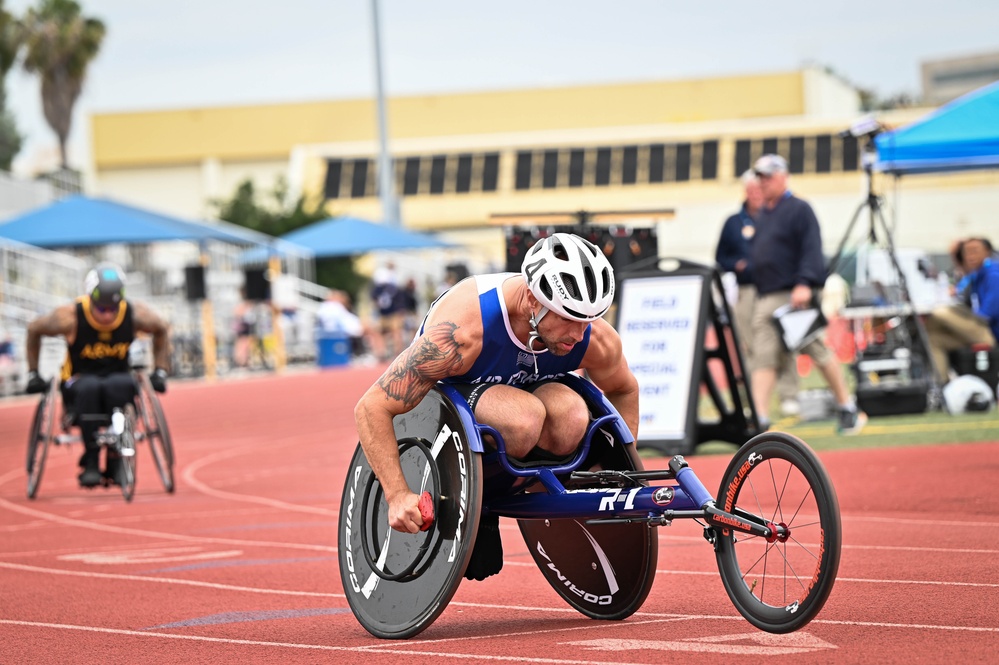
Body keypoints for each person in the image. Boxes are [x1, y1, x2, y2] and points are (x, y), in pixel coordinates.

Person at [353, 232, 639, 580]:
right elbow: (371, 407)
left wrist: (622, 471)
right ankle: (482, 503)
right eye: (568, 318)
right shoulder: (462, 333)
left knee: (572, 415)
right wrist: (397, 494)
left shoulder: (593, 337)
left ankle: (535, 486)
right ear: (533, 300)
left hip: (521, 388)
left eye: (588, 318)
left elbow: (624, 389)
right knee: (523, 420)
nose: (579, 334)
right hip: (451, 401)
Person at [748, 154, 866, 434]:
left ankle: (847, 405)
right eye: (760, 177)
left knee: (816, 349)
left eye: (767, 177)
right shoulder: (765, 212)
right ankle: (759, 419)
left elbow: (812, 249)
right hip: (768, 296)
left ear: (782, 176)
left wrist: (804, 283)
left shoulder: (799, 208)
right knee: (763, 356)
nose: (762, 183)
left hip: (794, 294)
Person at [24, 263, 171, 488]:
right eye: (101, 310)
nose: (108, 315)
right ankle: (91, 459)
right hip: (79, 378)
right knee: (90, 387)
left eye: (113, 309)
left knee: (122, 385)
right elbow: (34, 329)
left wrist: (160, 371)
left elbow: (161, 329)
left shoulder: (134, 315)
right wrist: (34, 373)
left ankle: (116, 458)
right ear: (91, 301)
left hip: (117, 375)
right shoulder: (70, 316)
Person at [715, 169, 800, 417]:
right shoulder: (734, 222)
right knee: (751, 345)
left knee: (785, 340)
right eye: (751, 190)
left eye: (759, 189)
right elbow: (721, 258)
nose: (755, 194)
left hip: (776, 288)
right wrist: (737, 264)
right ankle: (755, 398)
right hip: (747, 290)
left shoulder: (775, 217)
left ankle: (789, 394)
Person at [925, 237, 998, 381]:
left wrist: (960, 318)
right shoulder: (976, 274)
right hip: (979, 327)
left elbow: (987, 314)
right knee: (934, 338)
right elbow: (962, 296)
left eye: (975, 251)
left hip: (989, 333)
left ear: (987, 252)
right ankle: (943, 386)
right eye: (966, 252)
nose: (970, 256)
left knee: (939, 313)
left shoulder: (994, 275)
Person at [315, 289, 383, 360]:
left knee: (371, 326)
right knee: (373, 329)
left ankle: (378, 353)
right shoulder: (333, 306)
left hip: (344, 327)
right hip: (344, 329)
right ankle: (379, 353)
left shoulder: (328, 307)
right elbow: (343, 322)